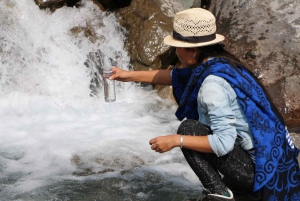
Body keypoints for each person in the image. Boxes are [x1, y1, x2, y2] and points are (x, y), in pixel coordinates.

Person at [109, 8, 300, 201]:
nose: (175, 52)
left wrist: (176, 140)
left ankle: (220, 194)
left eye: (178, 47)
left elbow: (224, 144)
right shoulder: (221, 64)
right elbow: (174, 77)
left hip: (258, 174)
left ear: (193, 51)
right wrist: (126, 75)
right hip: (275, 165)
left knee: (189, 129)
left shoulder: (212, 85)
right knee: (193, 131)